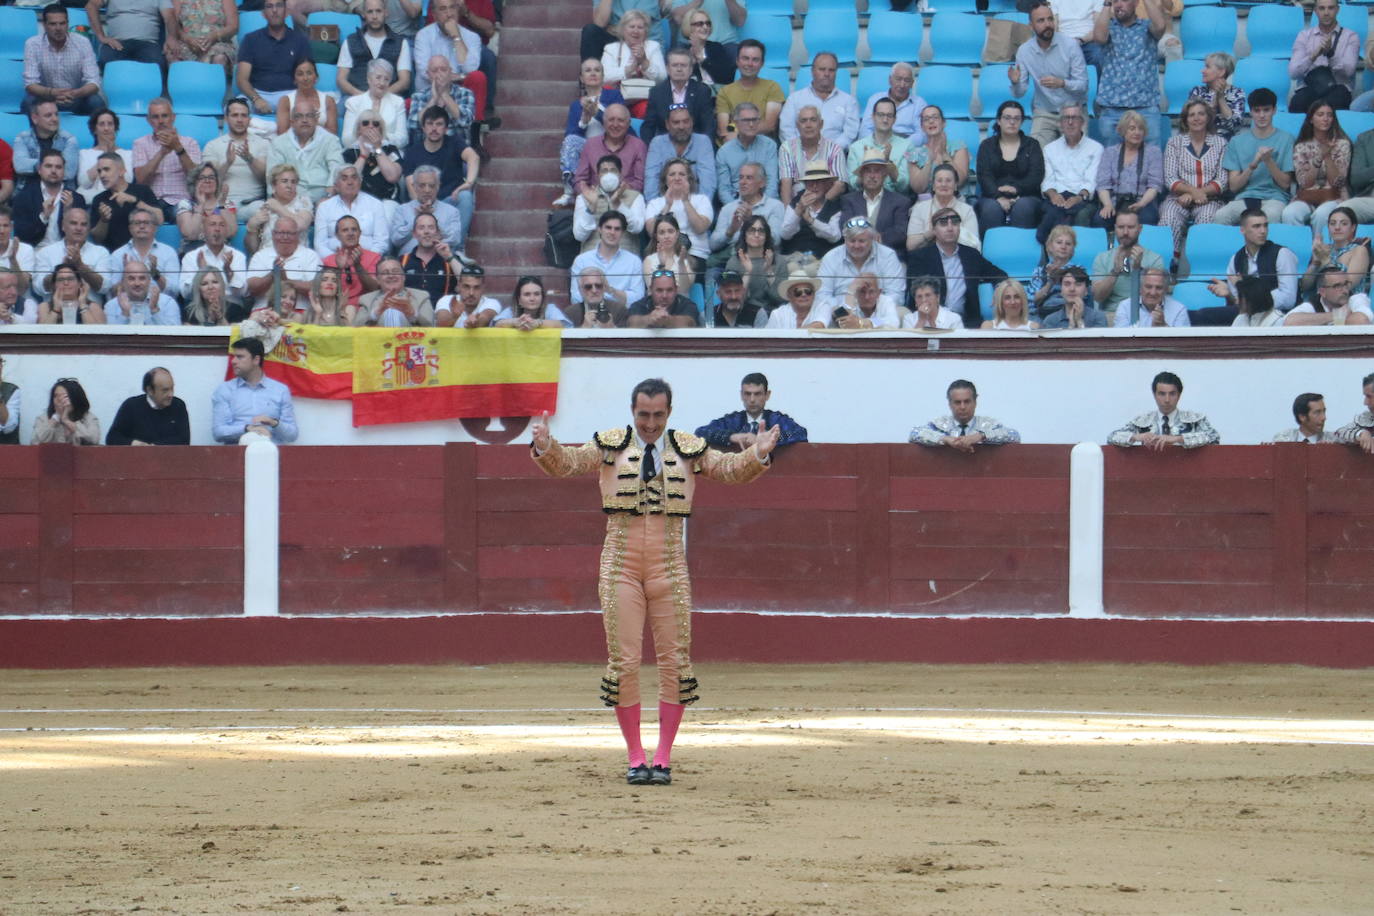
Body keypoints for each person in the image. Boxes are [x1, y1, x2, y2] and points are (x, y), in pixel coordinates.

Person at [530, 377, 778, 786]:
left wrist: (758, 453)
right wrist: (545, 445)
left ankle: (662, 756)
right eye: (643, 414)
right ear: (633, 411)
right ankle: (635, 755)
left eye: (657, 415)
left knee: (676, 662)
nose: (649, 423)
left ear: (669, 412)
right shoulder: (611, 444)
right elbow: (569, 463)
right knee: (624, 662)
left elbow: (730, 470)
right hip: (620, 564)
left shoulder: (687, 447)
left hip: (669, 564)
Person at [907, 207, 1008, 328]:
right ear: (934, 230)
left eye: (955, 223)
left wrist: (999, 287)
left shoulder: (971, 255)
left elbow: (999, 274)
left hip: (967, 322)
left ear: (960, 228)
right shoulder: (920, 257)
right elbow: (914, 291)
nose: (950, 228)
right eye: (943, 223)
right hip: (930, 318)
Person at [1011, 0, 1088, 148]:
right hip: (1044, 111)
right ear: (1031, 26)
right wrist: (1015, 82)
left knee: (1077, 155)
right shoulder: (1024, 51)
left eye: (1050, 19)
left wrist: (1062, 83)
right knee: (1035, 155)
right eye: (1041, 21)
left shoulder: (1071, 45)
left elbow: (1083, 85)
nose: (1047, 24)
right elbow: (1019, 93)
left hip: (1073, 109)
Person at [1214, 89, 1296, 227]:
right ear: (1251, 112)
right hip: (1244, 197)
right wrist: (1254, 164)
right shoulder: (1236, 141)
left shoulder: (1286, 139)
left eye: (1266, 110)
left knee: (1271, 216)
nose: (1262, 115)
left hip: (1274, 198)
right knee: (1221, 216)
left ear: (1274, 110)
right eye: (1257, 110)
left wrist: (1269, 161)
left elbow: (1285, 184)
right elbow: (1234, 186)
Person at [1092, 0, 1168, 147]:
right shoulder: (1108, 28)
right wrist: (1107, 4)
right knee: (1113, 161)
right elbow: (1099, 37)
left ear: (1135, 3)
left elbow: (1160, 26)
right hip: (1112, 108)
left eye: (1124, 0)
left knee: (1150, 160)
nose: (1119, 4)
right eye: (1115, 1)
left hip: (1146, 107)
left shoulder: (1146, 27)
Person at [1204, 209, 1300, 323]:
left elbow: (1288, 299)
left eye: (1265, 226)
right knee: (1202, 315)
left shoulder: (1282, 254)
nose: (1263, 231)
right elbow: (1239, 303)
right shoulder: (1236, 259)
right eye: (1256, 226)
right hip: (1248, 316)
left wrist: (1250, 299)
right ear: (1242, 230)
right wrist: (1229, 295)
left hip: (1277, 317)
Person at [1160, 100, 1228, 260]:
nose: (1196, 118)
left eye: (1201, 114)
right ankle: (1170, 265)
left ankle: (1200, 263)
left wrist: (1198, 194)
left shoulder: (1221, 143)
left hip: (1210, 199)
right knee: (1169, 217)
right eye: (1192, 115)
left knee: (1207, 219)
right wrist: (1192, 192)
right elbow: (1170, 178)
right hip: (1178, 198)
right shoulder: (1174, 143)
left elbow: (1222, 180)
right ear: (1185, 119)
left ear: (1208, 118)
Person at [556, 58, 626, 206]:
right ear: (582, 78)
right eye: (588, 70)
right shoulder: (576, 105)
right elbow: (571, 134)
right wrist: (584, 120)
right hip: (588, 147)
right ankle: (570, 191)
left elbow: (618, 123)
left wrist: (597, 111)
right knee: (570, 141)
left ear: (602, 76)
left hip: (611, 144)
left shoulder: (614, 96)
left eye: (597, 70)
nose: (593, 73)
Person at [410, 0, 491, 121]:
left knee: (478, 77)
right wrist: (459, 76)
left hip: (459, 94)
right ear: (434, 14)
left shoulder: (472, 37)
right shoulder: (423, 35)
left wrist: (456, 37)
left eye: (452, 8)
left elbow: (470, 68)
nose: (449, 14)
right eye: (443, 9)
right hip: (430, 93)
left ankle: (475, 128)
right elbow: (424, 71)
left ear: (458, 10)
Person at [212, 337, 299, 444]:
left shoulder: (280, 390)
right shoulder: (225, 390)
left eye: (240, 357)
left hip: (271, 454)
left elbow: (292, 435)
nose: (233, 361)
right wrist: (247, 428)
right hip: (236, 455)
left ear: (256, 360)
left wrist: (274, 423)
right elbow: (218, 432)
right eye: (234, 356)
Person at [975, 101, 1045, 235]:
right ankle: (989, 253)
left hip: (1027, 195)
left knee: (1023, 207)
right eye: (1007, 118)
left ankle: (1022, 252)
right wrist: (998, 197)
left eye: (1017, 118)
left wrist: (1017, 190)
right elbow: (984, 175)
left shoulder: (1032, 145)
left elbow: (1036, 175)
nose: (1012, 122)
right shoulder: (987, 146)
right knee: (991, 209)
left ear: (1022, 121)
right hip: (992, 196)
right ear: (999, 121)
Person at [1036, 104, 1102, 243]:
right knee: (1053, 212)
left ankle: (1075, 257)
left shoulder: (1095, 148)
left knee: (1078, 214)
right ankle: (1052, 256)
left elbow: (1091, 180)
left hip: (1083, 198)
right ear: (1060, 123)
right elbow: (1047, 179)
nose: (1070, 122)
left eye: (1075, 118)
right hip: (1056, 197)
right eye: (1066, 118)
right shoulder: (1049, 149)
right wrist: (1053, 195)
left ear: (1082, 122)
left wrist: (1079, 197)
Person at [236, 0, 314, 115]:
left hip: (290, 94)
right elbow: (242, 79)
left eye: (279, 5)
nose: (274, 10)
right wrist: (256, 99)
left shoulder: (300, 40)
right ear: (263, 14)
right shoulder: (250, 40)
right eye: (269, 6)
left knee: (311, 110)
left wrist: (293, 99)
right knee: (235, 108)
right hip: (258, 94)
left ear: (287, 12)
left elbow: (306, 76)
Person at [23, 4, 103, 116]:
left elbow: (94, 82)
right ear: (44, 25)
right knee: (28, 102)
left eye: (62, 23)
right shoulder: (32, 44)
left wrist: (75, 93)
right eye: (53, 24)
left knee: (96, 101)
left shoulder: (82, 42)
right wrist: (52, 93)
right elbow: (30, 84)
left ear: (67, 24)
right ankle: (33, 134)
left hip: (76, 98)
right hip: (46, 98)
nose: (58, 28)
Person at [696, 372, 808, 451]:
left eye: (757, 394)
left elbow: (800, 433)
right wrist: (732, 437)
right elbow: (701, 432)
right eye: (747, 394)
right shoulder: (732, 421)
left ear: (767, 395)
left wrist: (768, 440)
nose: (752, 399)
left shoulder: (777, 420)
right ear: (741, 395)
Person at [1108, 371, 1219, 449]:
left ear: (1179, 395)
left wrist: (1177, 439)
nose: (1167, 399)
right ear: (1154, 395)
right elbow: (1111, 438)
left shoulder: (1195, 420)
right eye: (1162, 394)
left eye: (1172, 394)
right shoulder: (1142, 421)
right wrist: (1136, 437)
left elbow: (1214, 437)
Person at [1283, 102, 1352, 227]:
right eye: (1320, 115)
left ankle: (1320, 246)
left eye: (1329, 115)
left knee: (1321, 215)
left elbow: (1338, 182)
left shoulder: (1342, 144)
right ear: (1311, 119)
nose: (1325, 119)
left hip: (1335, 196)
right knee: (1290, 213)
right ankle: (1297, 246)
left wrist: (1327, 157)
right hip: (1307, 196)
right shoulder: (1301, 146)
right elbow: (1304, 183)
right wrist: (1319, 157)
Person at [818, 217, 905, 313]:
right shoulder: (831, 257)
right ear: (845, 240)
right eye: (852, 241)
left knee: (902, 312)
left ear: (872, 239)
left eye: (861, 241)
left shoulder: (888, 256)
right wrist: (846, 308)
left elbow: (896, 294)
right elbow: (822, 295)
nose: (856, 246)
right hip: (840, 312)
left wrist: (873, 309)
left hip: (878, 312)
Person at [266, 100, 346, 205]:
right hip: (290, 199)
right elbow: (272, 176)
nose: (304, 120)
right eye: (299, 116)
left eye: (309, 116)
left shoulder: (330, 140)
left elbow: (336, 168)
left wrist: (330, 194)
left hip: (323, 197)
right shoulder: (279, 143)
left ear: (316, 119)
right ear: (292, 121)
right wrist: (276, 201)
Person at [1093, 110, 1163, 228]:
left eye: (1140, 129)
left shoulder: (1153, 152)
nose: (1137, 132)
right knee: (1099, 220)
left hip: (1142, 202)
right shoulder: (1110, 152)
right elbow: (1103, 184)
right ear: (1123, 131)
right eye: (1132, 128)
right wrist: (1108, 205)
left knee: (1148, 219)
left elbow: (1155, 185)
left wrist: (1141, 203)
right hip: (1115, 202)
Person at [203, 99, 270, 223]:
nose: (239, 120)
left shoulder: (263, 144)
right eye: (235, 115)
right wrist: (227, 163)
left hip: (252, 203)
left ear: (249, 119)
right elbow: (208, 181)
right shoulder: (212, 145)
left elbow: (266, 179)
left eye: (244, 115)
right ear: (226, 118)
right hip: (223, 202)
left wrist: (250, 159)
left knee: (265, 211)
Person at [909, 379, 1021, 450]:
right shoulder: (939, 425)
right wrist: (946, 439)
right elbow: (914, 434)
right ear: (949, 403)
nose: (962, 407)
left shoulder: (988, 425)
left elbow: (1014, 435)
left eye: (967, 401)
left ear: (975, 402)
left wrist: (980, 436)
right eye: (957, 402)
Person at [132, 99, 203, 212]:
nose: (160, 121)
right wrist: (161, 153)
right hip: (151, 202)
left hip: (180, 201)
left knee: (185, 215)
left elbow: (196, 178)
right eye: (155, 117)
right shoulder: (140, 143)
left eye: (164, 116)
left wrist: (178, 148)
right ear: (148, 120)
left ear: (173, 117)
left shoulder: (190, 143)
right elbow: (141, 180)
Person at [779, 52, 859, 150]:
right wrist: (802, 151)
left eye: (831, 70)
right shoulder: (795, 99)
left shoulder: (848, 101)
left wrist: (831, 151)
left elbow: (850, 133)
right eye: (822, 69)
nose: (826, 74)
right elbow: (786, 130)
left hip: (835, 157)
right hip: (799, 155)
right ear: (812, 71)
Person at [1289, 0, 1358, 114]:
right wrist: (1313, 56)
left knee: (1336, 100)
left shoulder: (1350, 36)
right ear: (1315, 11)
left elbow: (1349, 71)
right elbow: (1293, 73)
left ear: (1337, 9)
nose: (1326, 13)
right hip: (1310, 87)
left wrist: (1330, 54)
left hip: (1338, 87)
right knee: (1298, 102)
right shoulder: (1304, 36)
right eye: (1321, 8)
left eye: (1330, 8)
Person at [1090, 209, 1164, 314]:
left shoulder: (1155, 259)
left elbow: (1156, 296)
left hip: (1144, 314)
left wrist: (1138, 269)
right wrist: (1114, 272)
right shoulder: (1102, 258)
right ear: (1115, 229)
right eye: (1121, 227)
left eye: (1130, 227)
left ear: (1140, 229)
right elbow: (1098, 297)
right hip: (1112, 314)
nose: (1125, 232)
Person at [336, 0, 413, 98]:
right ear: (363, 14)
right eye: (370, 11)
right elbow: (341, 79)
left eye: (378, 11)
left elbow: (405, 81)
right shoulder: (351, 40)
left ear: (386, 12)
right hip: (356, 97)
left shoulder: (401, 42)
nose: (375, 16)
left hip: (389, 97)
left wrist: (380, 95)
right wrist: (363, 97)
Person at [839, 149, 912, 252]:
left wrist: (879, 238)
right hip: (855, 254)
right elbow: (845, 227)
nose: (872, 176)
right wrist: (865, 238)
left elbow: (901, 232)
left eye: (877, 171)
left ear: (885, 175)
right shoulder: (849, 200)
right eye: (868, 171)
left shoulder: (900, 202)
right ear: (861, 175)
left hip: (888, 256)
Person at [569, 209, 645, 308]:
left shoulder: (634, 261)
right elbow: (575, 297)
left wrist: (611, 291)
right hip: (589, 314)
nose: (612, 232)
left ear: (622, 233)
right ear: (599, 229)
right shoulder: (581, 261)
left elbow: (638, 297)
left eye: (617, 229)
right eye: (608, 228)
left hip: (623, 317)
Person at [643, 159, 714, 265]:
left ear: (689, 179)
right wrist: (667, 205)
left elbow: (700, 228)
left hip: (695, 254)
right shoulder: (655, 204)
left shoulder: (701, 200)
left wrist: (685, 201)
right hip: (663, 255)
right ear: (665, 180)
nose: (677, 178)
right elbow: (652, 232)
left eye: (682, 174)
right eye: (672, 174)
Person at [33, 207, 111, 302]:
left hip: (90, 312)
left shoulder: (100, 252)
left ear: (89, 228)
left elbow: (104, 287)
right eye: (73, 223)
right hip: (55, 312)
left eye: (84, 224)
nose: (79, 228)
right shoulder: (45, 252)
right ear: (63, 226)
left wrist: (80, 266)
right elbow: (39, 288)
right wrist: (62, 269)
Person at [244, 215, 322, 310]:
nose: (285, 237)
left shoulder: (310, 256)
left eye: (290, 233)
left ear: (297, 235)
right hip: (264, 311)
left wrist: (286, 280)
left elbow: (316, 289)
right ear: (273, 234)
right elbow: (251, 289)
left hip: (300, 314)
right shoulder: (260, 256)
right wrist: (272, 275)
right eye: (280, 233)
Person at [91, 154, 164, 254]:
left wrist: (135, 201)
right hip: (112, 256)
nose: (102, 175)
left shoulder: (142, 191)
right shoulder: (99, 199)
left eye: (106, 169)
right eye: (99, 171)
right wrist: (103, 220)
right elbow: (97, 239)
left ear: (122, 171)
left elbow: (159, 219)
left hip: (143, 252)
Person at [640, 48, 715, 145]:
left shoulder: (702, 91)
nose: (679, 69)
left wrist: (705, 148)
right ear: (667, 69)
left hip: (694, 144)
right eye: (675, 65)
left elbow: (708, 126)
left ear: (691, 69)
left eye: (683, 65)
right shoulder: (656, 92)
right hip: (665, 145)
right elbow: (648, 127)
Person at [714, 39, 784, 142]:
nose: (750, 64)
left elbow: (769, 125)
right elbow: (724, 129)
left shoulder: (772, 87)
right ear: (737, 61)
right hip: (733, 145)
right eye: (745, 58)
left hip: (763, 145)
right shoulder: (725, 92)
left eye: (755, 60)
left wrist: (737, 130)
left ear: (762, 63)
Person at [13, 150, 85, 249]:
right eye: (48, 166)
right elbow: (22, 236)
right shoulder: (23, 197)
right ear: (39, 170)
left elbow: (80, 237)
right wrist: (44, 216)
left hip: (67, 251)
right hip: (35, 251)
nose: (53, 171)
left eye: (58, 167)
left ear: (64, 171)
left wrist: (68, 213)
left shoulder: (77, 199)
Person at [644, 104, 716, 202]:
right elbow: (651, 179)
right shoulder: (657, 143)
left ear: (692, 122)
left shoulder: (703, 142)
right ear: (667, 124)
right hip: (664, 203)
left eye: (686, 121)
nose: (681, 127)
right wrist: (655, 208)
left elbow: (708, 181)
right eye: (676, 122)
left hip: (695, 203)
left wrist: (702, 207)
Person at [313, 164, 388, 257]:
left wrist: (368, 261)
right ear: (336, 185)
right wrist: (335, 263)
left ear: (360, 182)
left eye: (354, 178)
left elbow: (381, 242)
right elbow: (320, 245)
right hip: (334, 263)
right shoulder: (324, 207)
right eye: (344, 179)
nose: (350, 182)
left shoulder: (375, 204)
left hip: (368, 261)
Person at [573, 103, 647, 198]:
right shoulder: (590, 145)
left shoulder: (638, 145)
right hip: (595, 199)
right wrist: (588, 192)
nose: (615, 125)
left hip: (626, 198)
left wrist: (624, 190)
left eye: (620, 120)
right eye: (611, 120)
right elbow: (579, 180)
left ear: (628, 124)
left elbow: (640, 181)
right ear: (604, 123)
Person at [573, 155, 645, 253]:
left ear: (620, 174)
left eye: (613, 170)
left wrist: (618, 204)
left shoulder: (635, 197)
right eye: (604, 171)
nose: (609, 174)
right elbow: (579, 236)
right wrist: (592, 206)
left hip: (625, 261)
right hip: (593, 261)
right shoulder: (584, 198)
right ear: (598, 175)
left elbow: (637, 228)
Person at [778, 105, 847, 206]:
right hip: (796, 204)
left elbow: (840, 184)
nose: (808, 125)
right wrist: (790, 215)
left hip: (826, 204)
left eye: (813, 120)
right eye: (803, 121)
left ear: (821, 124)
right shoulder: (787, 148)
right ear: (797, 125)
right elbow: (786, 184)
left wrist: (820, 209)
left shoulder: (834, 149)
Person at [106, 367, 190, 445]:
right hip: (137, 458)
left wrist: (154, 448)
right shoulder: (131, 406)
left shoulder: (178, 406)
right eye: (165, 390)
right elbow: (112, 438)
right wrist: (133, 443)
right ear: (149, 390)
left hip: (169, 459)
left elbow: (184, 440)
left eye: (172, 388)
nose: (170, 394)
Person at [408, 55, 477, 149]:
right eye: (434, 71)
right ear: (428, 74)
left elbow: (466, 121)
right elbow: (414, 124)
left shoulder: (465, 93)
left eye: (443, 69)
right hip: (427, 153)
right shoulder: (418, 96)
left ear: (450, 72)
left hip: (457, 152)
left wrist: (444, 94)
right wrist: (434, 99)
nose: (439, 74)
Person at [715, 102, 779, 204]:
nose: (751, 124)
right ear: (735, 122)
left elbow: (772, 183)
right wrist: (736, 210)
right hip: (736, 202)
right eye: (746, 120)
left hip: (765, 201)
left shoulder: (769, 145)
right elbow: (724, 190)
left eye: (755, 120)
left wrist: (763, 207)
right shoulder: (724, 152)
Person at [906, 164, 978, 253]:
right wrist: (930, 234)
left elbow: (974, 245)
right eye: (939, 181)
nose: (944, 184)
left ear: (955, 185)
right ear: (933, 185)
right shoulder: (920, 209)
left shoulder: (966, 210)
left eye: (948, 181)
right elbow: (910, 245)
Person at [600, 8, 666, 107]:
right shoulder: (611, 49)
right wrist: (628, 70)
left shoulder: (653, 46)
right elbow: (603, 77)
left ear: (646, 31)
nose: (636, 31)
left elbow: (662, 77)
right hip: (617, 97)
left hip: (643, 97)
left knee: (648, 107)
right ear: (623, 30)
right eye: (632, 26)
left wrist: (644, 62)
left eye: (640, 27)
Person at [848, 97, 913, 196]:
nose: (885, 120)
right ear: (873, 117)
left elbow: (904, 186)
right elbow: (852, 185)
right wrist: (865, 167)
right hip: (863, 200)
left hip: (895, 202)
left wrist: (888, 164)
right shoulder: (856, 147)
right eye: (880, 115)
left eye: (889, 115)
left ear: (895, 119)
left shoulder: (907, 146)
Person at [245, 164, 314, 255]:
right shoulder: (264, 207)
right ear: (274, 185)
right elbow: (253, 251)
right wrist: (251, 228)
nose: (289, 185)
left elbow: (300, 225)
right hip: (268, 258)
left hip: (297, 258)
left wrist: (277, 207)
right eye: (284, 181)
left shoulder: (304, 202)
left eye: (293, 182)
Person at [779, 160, 843, 258]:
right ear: (805, 184)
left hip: (823, 259)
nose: (814, 186)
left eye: (819, 182)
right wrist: (798, 210)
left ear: (828, 185)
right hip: (795, 257)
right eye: (810, 182)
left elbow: (835, 236)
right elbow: (785, 234)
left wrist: (811, 221)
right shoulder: (795, 202)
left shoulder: (835, 206)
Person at [724, 213, 784, 317]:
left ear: (766, 236)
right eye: (752, 230)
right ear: (744, 235)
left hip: (774, 314)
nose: (756, 235)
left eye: (761, 231)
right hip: (743, 314)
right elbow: (735, 299)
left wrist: (769, 270)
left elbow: (781, 298)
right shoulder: (734, 262)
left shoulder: (779, 261)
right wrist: (748, 272)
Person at [107, 208, 178, 295]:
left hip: (160, 305)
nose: (142, 226)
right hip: (127, 304)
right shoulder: (118, 254)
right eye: (137, 223)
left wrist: (155, 274)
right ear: (130, 228)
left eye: (146, 223)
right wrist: (126, 275)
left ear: (155, 228)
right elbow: (112, 293)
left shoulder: (168, 253)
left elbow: (174, 291)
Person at [1303, 205, 1370, 295]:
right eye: (1333, 223)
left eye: (1344, 223)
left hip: (1347, 303)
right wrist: (1315, 263)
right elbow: (1305, 287)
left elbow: (1346, 287)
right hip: (1319, 302)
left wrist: (1326, 262)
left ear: (1353, 228)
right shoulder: (1323, 250)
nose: (1337, 227)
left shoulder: (1359, 251)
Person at [180, 209, 247, 300]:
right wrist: (201, 272)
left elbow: (242, 293)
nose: (217, 229)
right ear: (203, 230)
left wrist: (229, 272)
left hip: (230, 306)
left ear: (226, 231)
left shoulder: (237, 256)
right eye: (212, 224)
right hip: (200, 305)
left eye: (222, 225)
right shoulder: (191, 257)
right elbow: (185, 293)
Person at [346, 108, 406, 208]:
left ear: (381, 129)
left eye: (376, 124)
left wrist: (377, 148)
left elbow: (392, 177)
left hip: (387, 200)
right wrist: (363, 156)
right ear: (358, 129)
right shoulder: (349, 152)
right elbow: (349, 182)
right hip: (358, 202)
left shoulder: (390, 148)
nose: (370, 126)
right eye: (365, 123)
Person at [906, 105, 969, 197]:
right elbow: (918, 189)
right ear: (922, 126)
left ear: (943, 123)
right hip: (927, 202)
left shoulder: (958, 146)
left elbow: (960, 181)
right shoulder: (915, 152)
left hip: (955, 199)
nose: (931, 121)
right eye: (926, 119)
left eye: (935, 117)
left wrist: (944, 154)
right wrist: (929, 161)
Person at [86, 0, 171, 68]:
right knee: (107, 61)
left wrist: (172, 38)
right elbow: (91, 6)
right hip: (117, 42)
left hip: (148, 43)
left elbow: (169, 15)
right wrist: (101, 37)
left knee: (158, 64)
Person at [269, 55, 340, 137]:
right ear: (294, 79)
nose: (305, 78)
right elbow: (282, 133)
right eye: (300, 74)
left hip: (322, 145)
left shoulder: (328, 101)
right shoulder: (285, 101)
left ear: (316, 77)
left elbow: (333, 133)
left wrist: (303, 127)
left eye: (309, 73)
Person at [343, 60, 407, 151]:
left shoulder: (398, 102)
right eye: (378, 77)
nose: (382, 83)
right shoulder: (353, 103)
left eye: (386, 79)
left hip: (388, 152)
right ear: (369, 79)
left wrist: (381, 137)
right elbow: (346, 140)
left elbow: (403, 139)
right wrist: (363, 136)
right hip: (358, 151)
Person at [13, 100, 79, 186]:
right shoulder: (22, 138)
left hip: (61, 192)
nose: (55, 119)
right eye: (48, 115)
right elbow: (20, 166)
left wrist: (40, 167)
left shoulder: (69, 140)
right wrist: (55, 166)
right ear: (35, 118)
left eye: (56, 114)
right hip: (28, 190)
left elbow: (69, 172)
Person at [354, 256, 434, 326]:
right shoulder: (366, 299)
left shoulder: (421, 296)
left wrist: (412, 314)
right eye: (385, 273)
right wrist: (376, 314)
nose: (391, 276)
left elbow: (431, 325)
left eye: (395, 271)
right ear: (378, 279)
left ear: (404, 276)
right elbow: (355, 328)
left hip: (412, 341)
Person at [322, 214, 382, 306]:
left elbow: (374, 289)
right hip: (336, 308)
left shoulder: (374, 258)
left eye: (354, 229)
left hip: (364, 308)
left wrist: (358, 266)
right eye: (345, 230)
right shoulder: (328, 261)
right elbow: (326, 292)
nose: (350, 233)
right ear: (337, 235)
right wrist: (339, 268)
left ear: (360, 233)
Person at [581, 0, 667, 64]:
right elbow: (599, 23)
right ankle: (589, 82)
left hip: (646, 40)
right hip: (616, 40)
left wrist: (621, 30)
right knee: (591, 31)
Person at [1284, 265, 1374, 326]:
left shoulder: (1357, 299)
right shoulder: (1313, 304)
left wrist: (1315, 321)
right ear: (1322, 292)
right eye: (1337, 286)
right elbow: (1289, 321)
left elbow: (1361, 320)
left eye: (1346, 284)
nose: (1345, 290)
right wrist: (1336, 315)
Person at [163, 0, 238, 72]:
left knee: (219, 57)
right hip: (187, 41)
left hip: (218, 42)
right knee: (173, 54)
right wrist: (187, 39)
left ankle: (215, 84)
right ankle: (182, 84)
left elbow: (233, 26)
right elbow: (173, 24)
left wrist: (215, 36)